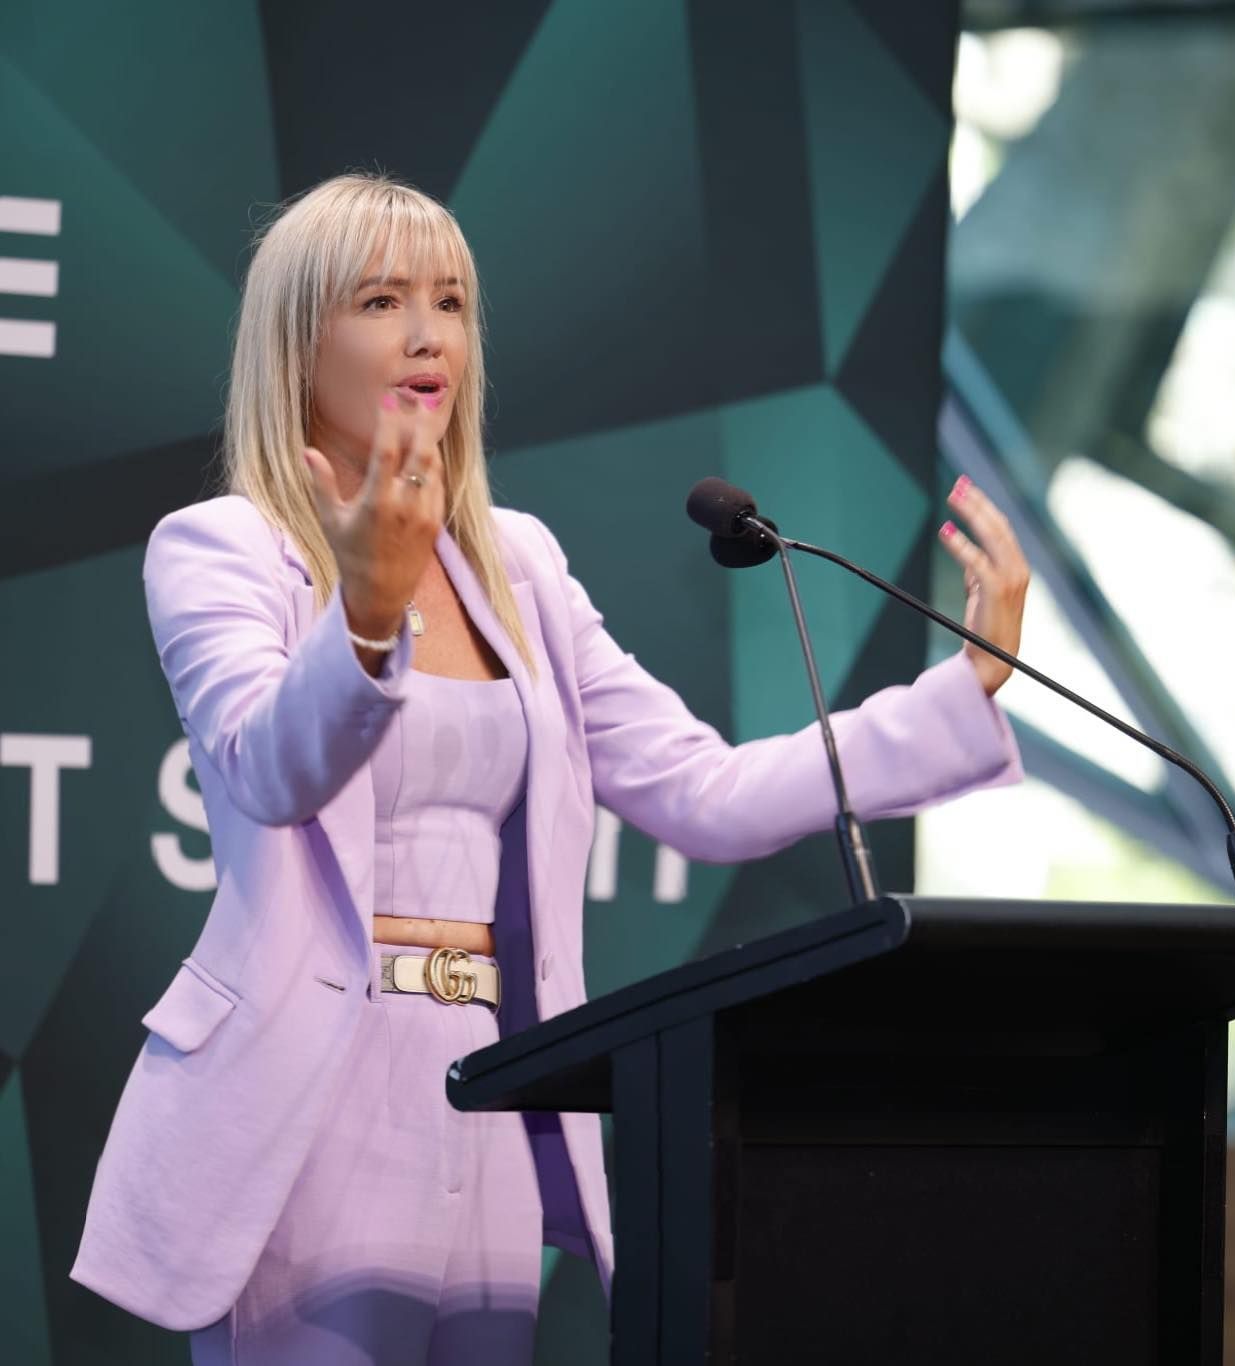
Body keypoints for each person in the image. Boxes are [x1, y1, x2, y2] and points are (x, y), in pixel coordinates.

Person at [70, 172, 1030, 1365]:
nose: (429, 334)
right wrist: (363, 617)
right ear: (296, 345)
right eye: (381, 300)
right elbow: (269, 769)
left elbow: (705, 792)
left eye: (452, 302)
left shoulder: (516, 561)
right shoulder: (223, 546)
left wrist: (961, 691)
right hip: (304, 1104)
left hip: (496, 1087)